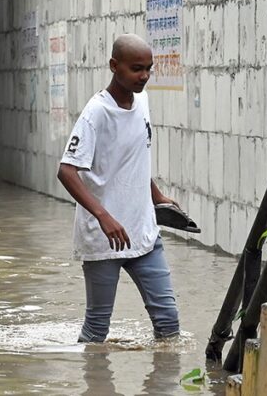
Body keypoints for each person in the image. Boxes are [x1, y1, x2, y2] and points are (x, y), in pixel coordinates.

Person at [56, 33, 181, 343]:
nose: (144, 76)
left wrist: (157, 196)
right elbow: (66, 171)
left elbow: (132, 159)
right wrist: (103, 216)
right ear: (114, 66)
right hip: (104, 239)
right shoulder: (96, 113)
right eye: (136, 68)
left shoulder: (143, 102)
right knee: (97, 329)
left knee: (169, 323)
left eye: (149, 68)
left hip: (143, 232)